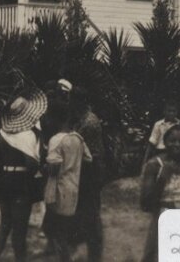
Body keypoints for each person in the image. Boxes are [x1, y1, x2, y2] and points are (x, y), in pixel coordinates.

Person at [0, 90, 47, 262]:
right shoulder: (30, 136)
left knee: (5, 224)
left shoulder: (1, 134)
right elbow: (32, 165)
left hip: (4, 180)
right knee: (20, 230)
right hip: (21, 183)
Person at [139, 124, 180, 262]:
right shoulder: (155, 165)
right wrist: (162, 178)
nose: (177, 145)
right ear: (164, 142)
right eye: (172, 141)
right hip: (162, 222)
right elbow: (145, 204)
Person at [42, 102, 90, 262]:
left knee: (57, 231)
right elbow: (88, 159)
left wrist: (45, 166)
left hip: (58, 188)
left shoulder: (56, 139)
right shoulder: (78, 138)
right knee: (63, 227)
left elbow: (54, 168)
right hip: (73, 186)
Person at [70, 88, 106, 262]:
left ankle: (94, 252)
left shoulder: (88, 122)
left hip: (91, 170)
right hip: (89, 168)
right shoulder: (83, 119)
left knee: (90, 212)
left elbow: (82, 149)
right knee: (86, 211)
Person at [142, 100, 180, 165]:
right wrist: (145, 161)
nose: (171, 113)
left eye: (174, 111)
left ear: (177, 112)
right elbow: (152, 143)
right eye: (169, 111)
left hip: (174, 153)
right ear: (164, 112)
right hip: (160, 152)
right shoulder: (158, 125)